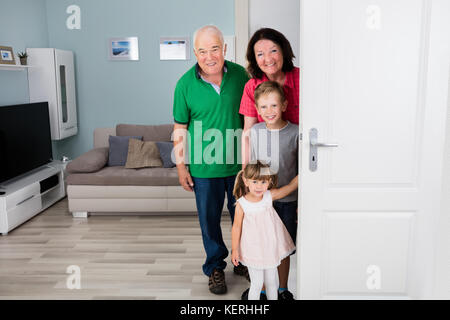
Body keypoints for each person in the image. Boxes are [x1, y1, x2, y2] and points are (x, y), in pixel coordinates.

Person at [172, 25, 249, 295]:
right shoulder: (184, 84)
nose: (209, 56)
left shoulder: (241, 75)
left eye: (214, 49)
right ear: (195, 53)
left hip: (240, 167)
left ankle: (243, 259)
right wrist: (181, 166)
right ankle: (215, 267)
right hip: (204, 168)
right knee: (209, 220)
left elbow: (253, 117)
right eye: (202, 51)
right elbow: (180, 128)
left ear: (224, 49)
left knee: (245, 216)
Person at [242, 80, 299, 300]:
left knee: (283, 247)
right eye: (263, 107)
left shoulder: (295, 133)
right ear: (257, 110)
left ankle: (282, 288)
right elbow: (252, 166)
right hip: (261, 200)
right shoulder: (255, 131)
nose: (269, 111)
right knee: (262, 245)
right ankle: (264, 289)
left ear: (284, 105)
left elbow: (300, 167)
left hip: (287, 201)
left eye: (274, 106)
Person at [231, 161, 297, 300]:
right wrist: (235, 249)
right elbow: (236, 227)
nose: (259, 186)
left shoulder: (268, 196)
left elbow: (290, 187)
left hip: (269, 249)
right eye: (255, 182)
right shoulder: (242, 204)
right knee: (257, 283)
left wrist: (304, 174)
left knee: (272, 282)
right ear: (246, 181)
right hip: (252, 249)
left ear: (269, 182)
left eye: (263, 182)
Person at [240, 27, 300, 168]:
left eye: (273, 51)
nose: (268, 59)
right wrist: (245, 171)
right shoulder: (251, 87)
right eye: (260, 54)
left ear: (283, 52)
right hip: (268, 163)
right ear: (254, 59)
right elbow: (247, 134)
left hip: (301, 157)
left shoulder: (303, 79)